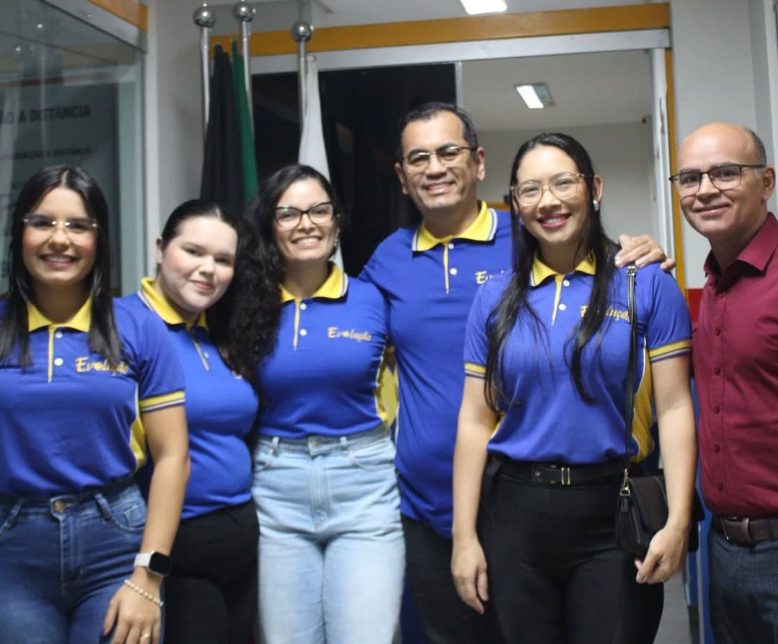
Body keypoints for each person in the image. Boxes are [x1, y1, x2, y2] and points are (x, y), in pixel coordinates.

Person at [359, 101, 674, 643]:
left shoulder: (532, 227)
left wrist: (642, 250)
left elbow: (602, 269)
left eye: (449, 152)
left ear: (479, 162)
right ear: (401, 176)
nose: (434, 167)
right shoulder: (386, 261)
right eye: (419, 158)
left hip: (526, 500)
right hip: (430, 510)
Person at [451, 132, 697, 643]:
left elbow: (674, 408)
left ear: (594, 188)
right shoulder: (493, 299)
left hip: (613, 512)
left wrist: (677, 520)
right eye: (531, 190)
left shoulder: (645, 282)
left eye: (564, 183)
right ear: (515, 205)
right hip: (516, 514)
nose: (550, 201)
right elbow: (476, 420)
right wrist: (464, 536)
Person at [0, 165, 189, 644]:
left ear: (99, 239)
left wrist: (149, 578)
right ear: (19, 232)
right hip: (11, 548)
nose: (59, 239)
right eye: (42, 222)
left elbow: (172, 458)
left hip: (115, 543)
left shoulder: (138, 326)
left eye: (78, 226)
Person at [245, 164, 404, 644]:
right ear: (269, 226)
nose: (305, 223)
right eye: (288, 213)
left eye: (318, 210)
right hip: (274, 487)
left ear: (336, 223)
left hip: (365, 486)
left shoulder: (374, 298)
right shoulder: (244, 303)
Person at [125, 200, 265, 644]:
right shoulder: (125, 326)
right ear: (161, 248)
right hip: (177, 551)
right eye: (193, 252)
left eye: (223, 260)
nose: (209, 269)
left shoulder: (213, 332)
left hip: (242, 543)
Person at [673, 122, 778, 643]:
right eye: (690, 178)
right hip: (726, 546)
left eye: (726, 172)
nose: (705, 189)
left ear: (767, 181)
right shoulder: (714, 283)